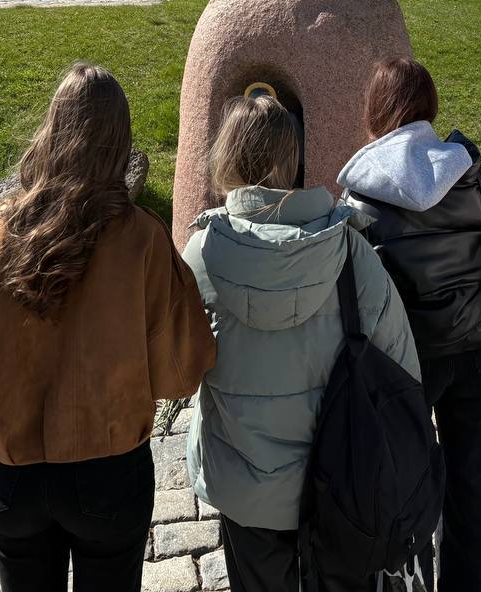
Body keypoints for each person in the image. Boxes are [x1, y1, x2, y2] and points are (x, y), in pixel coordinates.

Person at [0, 63, 216, 592]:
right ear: (121, 142)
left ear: (52, 131)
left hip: (14, 477)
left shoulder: (1, 232)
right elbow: (180, 375)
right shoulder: (143, 238)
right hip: (109, 475)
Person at [183, 92, 420, 592]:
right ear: (292, 157)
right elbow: (403, 370)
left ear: (228, 155)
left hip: (244, 488)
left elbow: (178, 371)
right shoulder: (351, 251)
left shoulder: (202, 254)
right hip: (341, 483)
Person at [338, 58, 481, 592]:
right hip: (475, 347)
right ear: (430, 107)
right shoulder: (469, 172)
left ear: (374, 111)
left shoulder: (361, 194)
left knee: (405, 483)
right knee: (472, 482)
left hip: (404, 361)